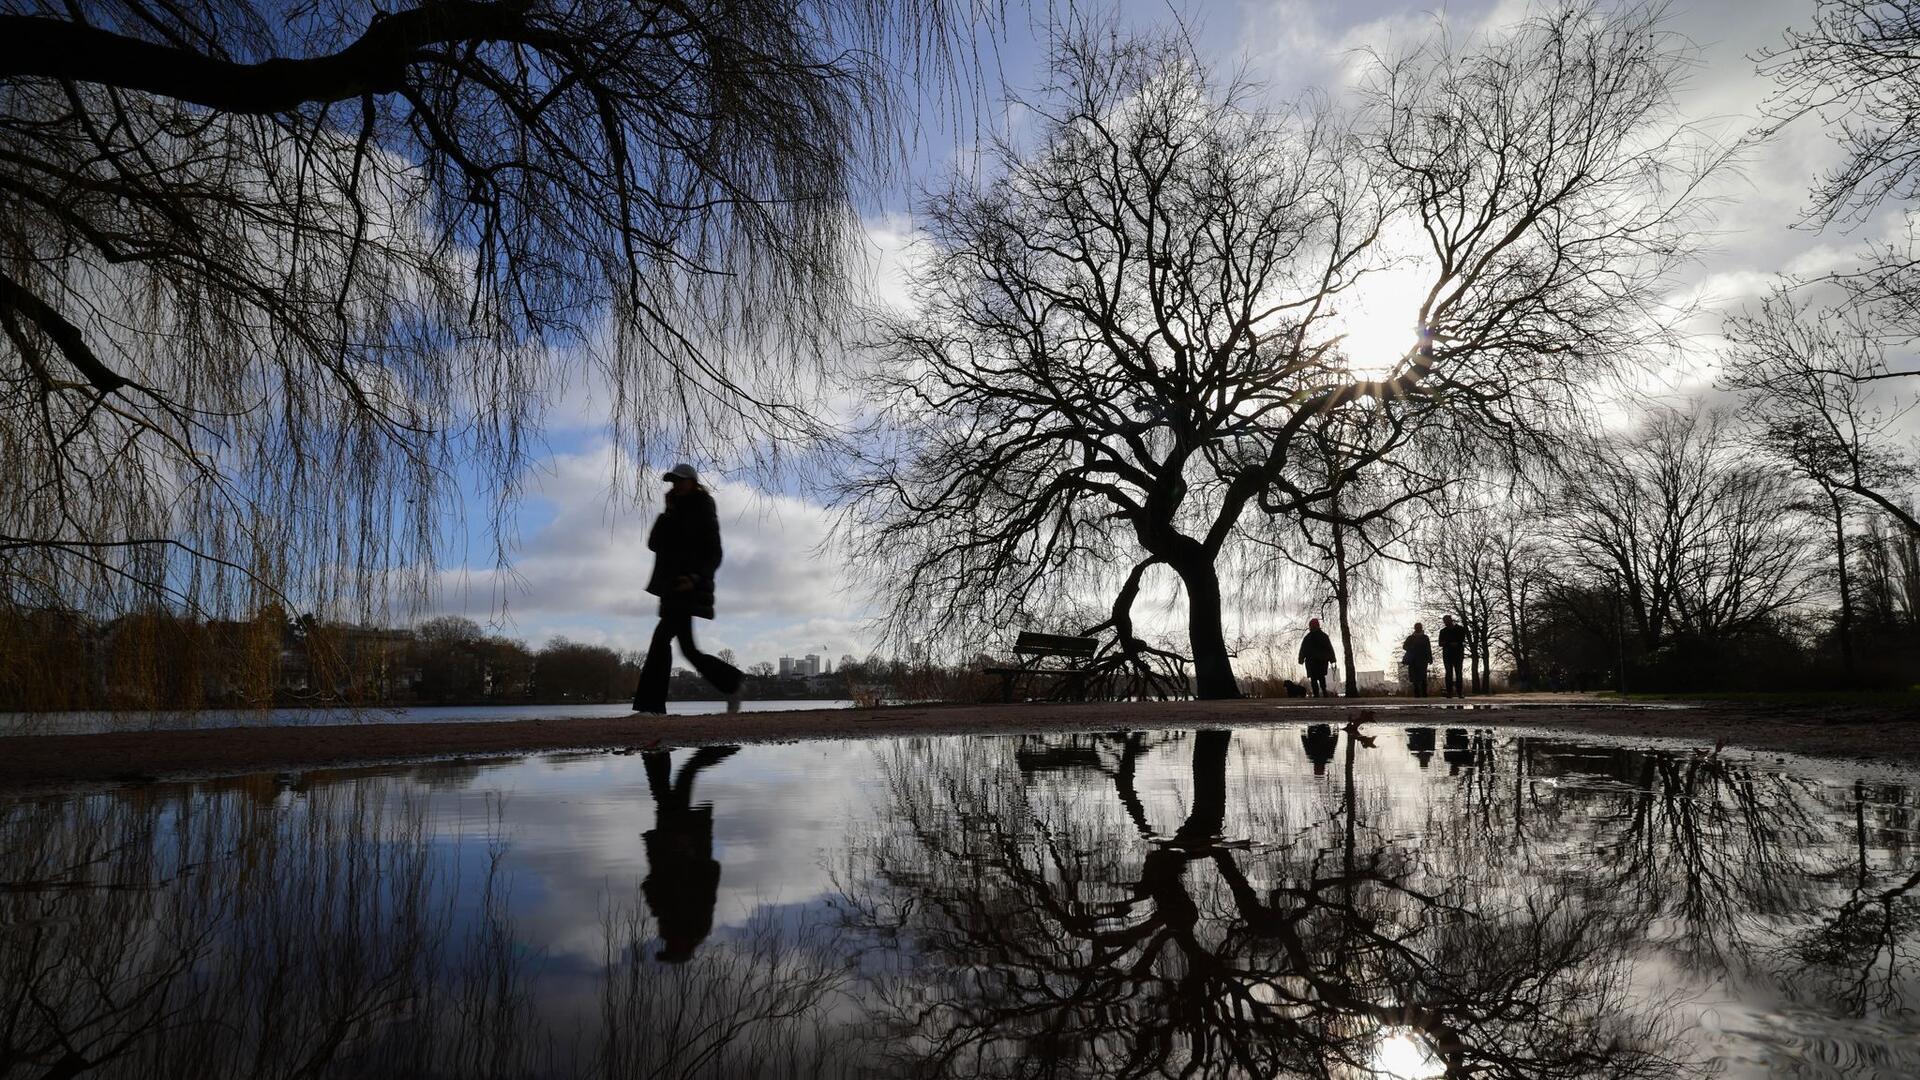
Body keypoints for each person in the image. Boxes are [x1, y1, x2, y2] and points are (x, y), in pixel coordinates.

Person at [633, 463, 744, 714]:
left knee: (661, 639)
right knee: (688, 649)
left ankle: (650, 707)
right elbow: (654, 544)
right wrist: (668, 512)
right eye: (674, 481)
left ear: (693, 482)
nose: (676, 485)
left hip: (687, 586)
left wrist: (694, 578)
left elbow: (714, 552)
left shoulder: (703, 506)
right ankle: (732, 683)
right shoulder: (674, 510)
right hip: (671, 586)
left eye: (681, 480)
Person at [641, 746, 739, 962]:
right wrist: (690, 853)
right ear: (684, 948)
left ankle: (656, 755)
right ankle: (657, 754)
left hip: (668, 843)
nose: (670, 944)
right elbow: (710, 876)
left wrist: (654, 885)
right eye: (673, 948)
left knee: (669, 791)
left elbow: (652, 885)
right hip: (686, 841)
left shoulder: (668, 926)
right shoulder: (697, 923)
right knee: (676, 784)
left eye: (669, 948)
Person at [1297, 618, 1338, 697]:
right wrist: (1332, 659)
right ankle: (1324, 692)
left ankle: (1317, 694)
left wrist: (1301, 659)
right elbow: (1329, 648)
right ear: (1318, 626)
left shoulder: (1308, 638)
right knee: (1321, 677)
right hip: (1321, 661)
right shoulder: (1324, 636)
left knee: (1314, 678)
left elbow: (1303, 649)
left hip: (1312, 662)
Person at [1438, 614, 1468, 698]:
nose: (1446, 623)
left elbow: (1461, 640)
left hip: (1457, 654)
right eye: (1444, 621)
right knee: (1449, 674)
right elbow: (1440, 643)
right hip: (1448, 655)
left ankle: (1459, 692)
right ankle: (1450, 692)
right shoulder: (1443, 631)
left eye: (1447, 621)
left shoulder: (1460, 629)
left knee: (1458, 673)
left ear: (1451, 620)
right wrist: (1451, 643)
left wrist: (1447, 643)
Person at [1401, 622, 1432, 698]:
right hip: (1413, 660)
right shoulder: (1411, 638)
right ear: (1415, 628)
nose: (1418, 628)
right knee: (1415, 678)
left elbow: (1428, 648)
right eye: (1417, 627)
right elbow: (1404, 646)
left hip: (1422, 660)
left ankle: (1424, 693)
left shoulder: (1425, 637)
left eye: (1419, 627)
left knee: (1423, 677)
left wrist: (1430, 658)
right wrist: (1411, 648)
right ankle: (1417, 693)